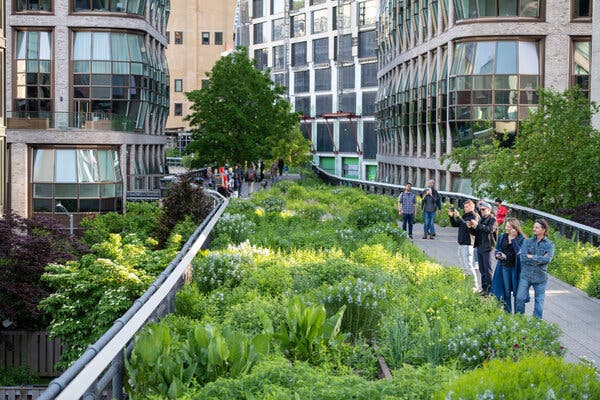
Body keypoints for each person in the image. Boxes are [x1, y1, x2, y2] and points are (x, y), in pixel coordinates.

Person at [515, 219, 555, 319]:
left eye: (536, 227)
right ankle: (519, 320)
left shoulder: (549, 244)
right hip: (526, 275)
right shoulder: (527, 242)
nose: (534, 229)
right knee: (519, 298)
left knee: (539, 302)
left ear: (543, 230)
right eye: (534, 227)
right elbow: (523, 258)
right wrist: (540, 258)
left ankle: (536, 323)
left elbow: (548, 259)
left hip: (540, 277)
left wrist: (532, 256)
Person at [491, 218, 526, 313]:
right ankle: (507, 312)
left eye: (509, 227)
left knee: (516, 293)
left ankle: (518, 314)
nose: (507, 228)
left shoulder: (521, 238)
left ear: (515, 228)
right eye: (506, 226)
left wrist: (514, 240)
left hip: (516, 268)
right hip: (504, 267)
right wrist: (498, 255)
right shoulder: (503, 237)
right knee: (506, 291)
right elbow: (497, 249)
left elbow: (520, 253)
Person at [449, 200, 481, 291]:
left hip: (468, 243)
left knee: (468, 265)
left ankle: (475, 287)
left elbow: (466, 225)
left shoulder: (474, 216)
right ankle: (467, 284)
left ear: (472, 207)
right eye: (464, 206)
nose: (465, 208)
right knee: (463, 266)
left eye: (467, 206)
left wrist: (459, 216)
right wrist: (451, 217)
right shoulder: (465, 216)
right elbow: (455, 225)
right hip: (461, 242)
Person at [467, 201, 498, 295]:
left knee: (488, 270)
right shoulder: (481, 219)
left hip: (488, 247)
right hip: (480, 246)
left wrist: (478, 225)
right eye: (480, 210)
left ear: (489, 210)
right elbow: (475, 233)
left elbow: (490, 230)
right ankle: (484, 289)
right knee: (482, 270)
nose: (482, 211)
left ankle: (490, 290)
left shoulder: (493, 219)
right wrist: (470, 227)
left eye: (483, 209)